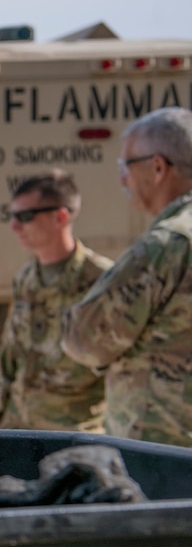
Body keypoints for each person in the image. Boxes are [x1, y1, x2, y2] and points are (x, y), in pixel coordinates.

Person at [62, 106, 192, 447]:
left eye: (126, 167)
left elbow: (85, 340)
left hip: (164, 451)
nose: (122, 179)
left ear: (158, 167)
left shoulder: (168, 245)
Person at [0, 169, 112, 431]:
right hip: (19, 429)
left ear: (60, 217)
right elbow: (11, 360)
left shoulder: (101, 281)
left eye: (25, 217)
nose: (14, 226)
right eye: (12, 216)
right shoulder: (26, 279)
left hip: (73, 434)